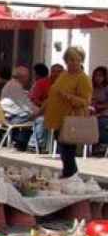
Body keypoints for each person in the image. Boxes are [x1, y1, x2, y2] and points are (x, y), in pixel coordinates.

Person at [44, 47, 93, 178]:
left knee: (68, 150)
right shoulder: (64, 75)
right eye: (69, 60)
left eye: (75, 60)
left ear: (81, 60)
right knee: (63, 149)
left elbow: (85, 101)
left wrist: (67, 96)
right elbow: (54, 94)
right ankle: (70, 175)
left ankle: (71, 176)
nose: (71, 63)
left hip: (71, 119)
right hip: (58, 118)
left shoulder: (83, 78)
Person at [1, 65, 42, 150]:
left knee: (35, 117)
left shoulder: (12, 84)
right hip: (13, 118)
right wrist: (41, 111)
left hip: (11, 116)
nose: (29, 79)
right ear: (22, 77)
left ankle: (21, 142)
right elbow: (26, 106)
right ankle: (33, 145)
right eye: (28, 77)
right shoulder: (15, 87)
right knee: (41, 119)